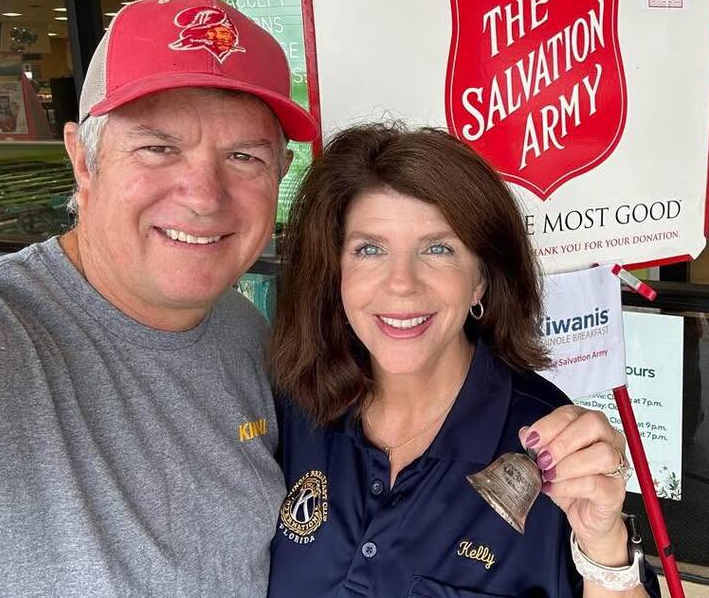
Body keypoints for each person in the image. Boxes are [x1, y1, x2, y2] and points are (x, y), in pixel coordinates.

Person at [0, 0, 319, 596]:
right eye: (158, 148)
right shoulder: (13, 329)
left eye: (243, 157)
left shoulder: (244, 330)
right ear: (82, 161)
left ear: (281, 172)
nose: (203, 195)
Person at [267, 124, 661, 597]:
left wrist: (603, 541)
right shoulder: (297, 402)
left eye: (438, 248)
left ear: (480, 281)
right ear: (338, 274)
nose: (401, 284)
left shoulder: (543, 440)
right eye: (369, 249)